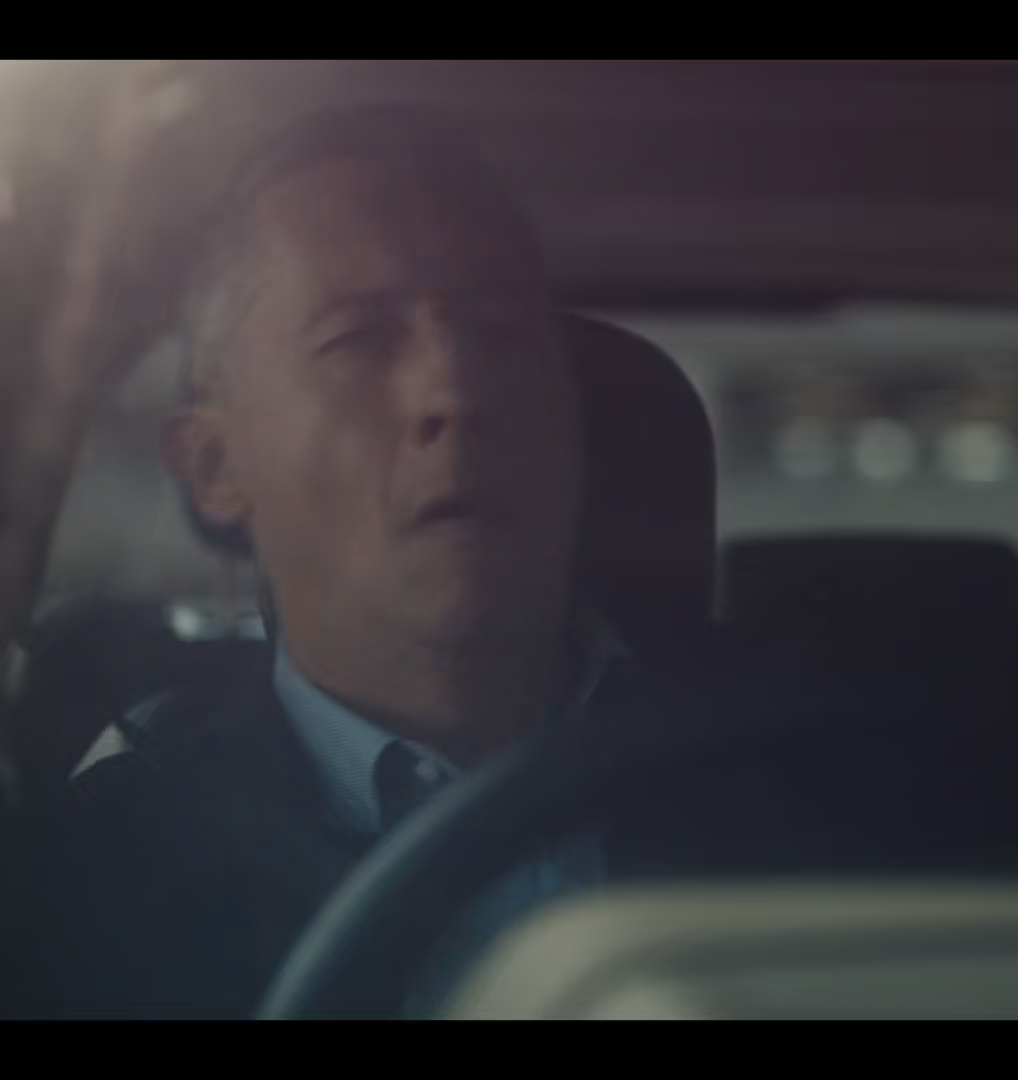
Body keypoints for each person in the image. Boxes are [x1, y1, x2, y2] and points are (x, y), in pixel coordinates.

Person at [1, 105, 621, 1019]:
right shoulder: (81, 894)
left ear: (574, 415)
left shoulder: (797, 777)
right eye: (358, 340)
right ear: (217, 465)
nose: (455, 388)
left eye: (502, 331)